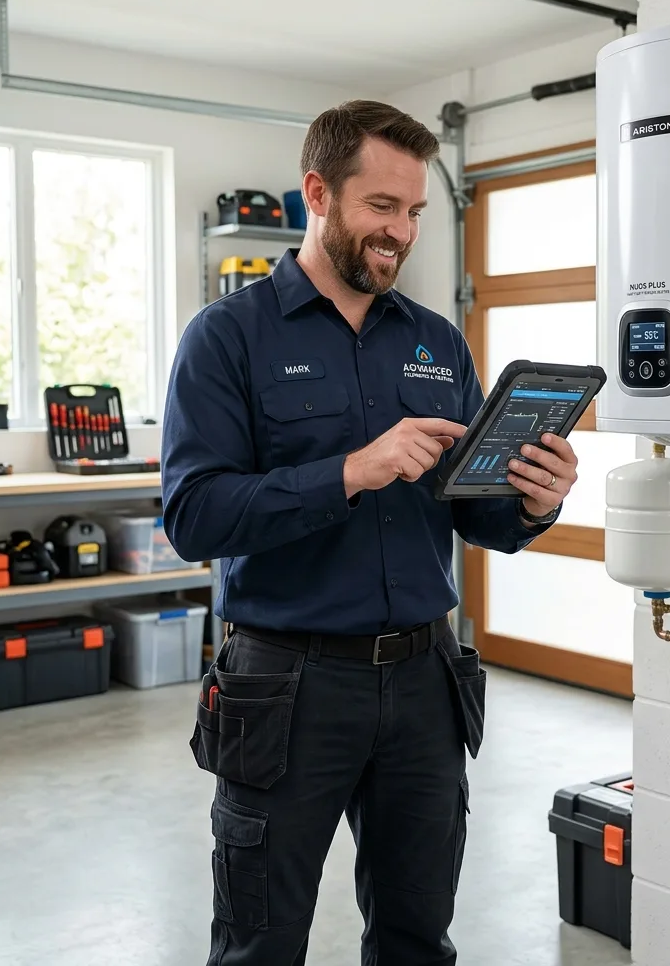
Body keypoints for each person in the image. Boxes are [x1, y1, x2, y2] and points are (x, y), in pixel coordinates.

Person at [160, 99, 580, 966]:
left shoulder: (435, 344)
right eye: (381, 208)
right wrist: (352, 470)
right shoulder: (226, 339)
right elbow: (194, 517)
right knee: (259, 945)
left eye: (416, 211)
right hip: (286, 687)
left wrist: (535, 502)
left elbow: (477, 512)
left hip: (426, 684)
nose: (401, 233)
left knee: (416, 939)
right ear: (319, 192)